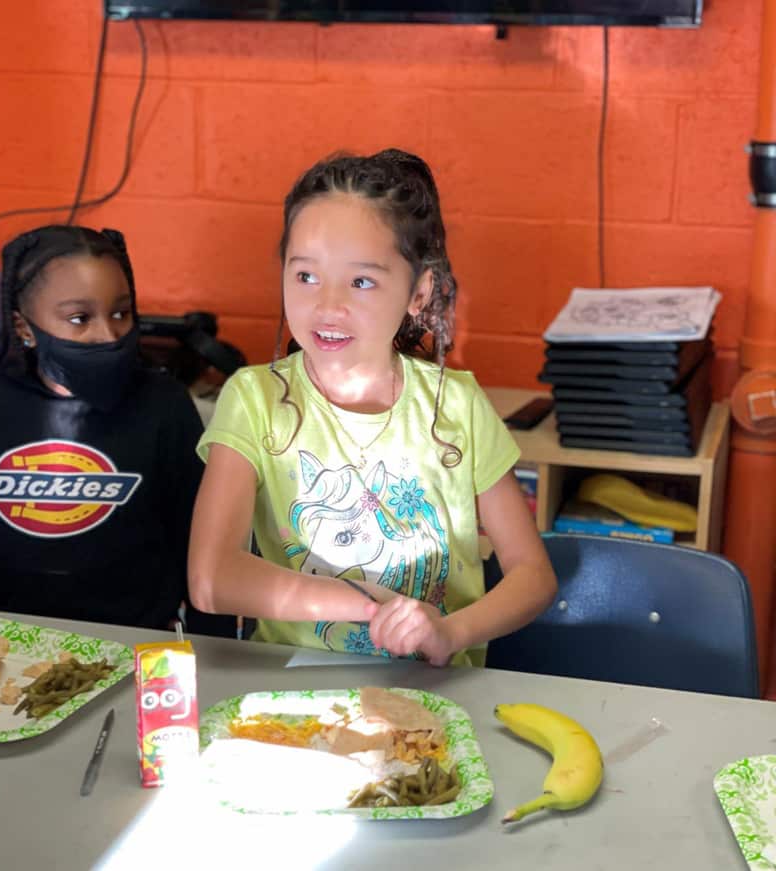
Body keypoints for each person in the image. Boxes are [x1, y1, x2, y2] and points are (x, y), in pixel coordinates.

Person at [189, 149, 557, 665]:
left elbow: (532, 574)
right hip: (288, 695)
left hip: (437, 693)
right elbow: (211, 579)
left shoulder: (456, 404)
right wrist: (369, 604)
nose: (327, 305)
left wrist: (450, 633)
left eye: (361, 281)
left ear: (418, 293)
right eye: (306, 276)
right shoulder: (254, 400)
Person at [0, 224, 234, 635]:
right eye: (80, 318)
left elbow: (200, 545)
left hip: (135, 648)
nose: (108, 335)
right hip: (2, 656)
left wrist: (211, 653)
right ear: (24, 327)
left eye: (121, 313)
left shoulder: (162, 405)